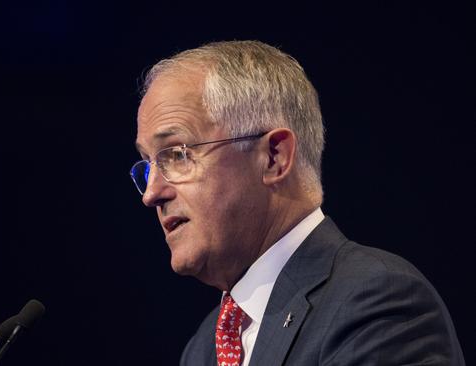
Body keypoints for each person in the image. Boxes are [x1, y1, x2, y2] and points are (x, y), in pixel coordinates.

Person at [130, 41, 464, 366]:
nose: (151, 193)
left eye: (176, 155)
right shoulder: (202, 348)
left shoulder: (379, 303)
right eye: (147, 164)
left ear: (273, 157)